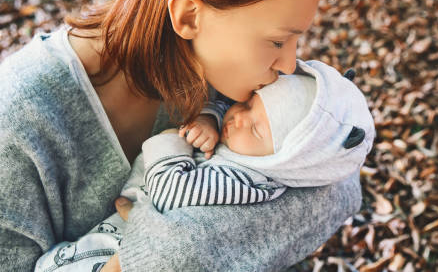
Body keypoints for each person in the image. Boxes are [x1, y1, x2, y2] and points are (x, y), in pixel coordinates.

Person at [0, 0, 365, 271]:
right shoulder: (18, 120)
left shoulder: (221, 67)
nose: (291, 66)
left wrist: (170, 249)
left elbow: (339, 182)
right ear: (188, 16)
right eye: (278, 42)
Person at [34, 61, 375, 271]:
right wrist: (209, 118)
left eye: (256, 128)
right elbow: (224, 104)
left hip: (128, 244)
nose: (238, 118)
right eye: (251, 103)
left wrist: (172, 141)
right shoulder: (245, 138)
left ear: (284, 159)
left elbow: (170, 193)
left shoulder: (246, 182)